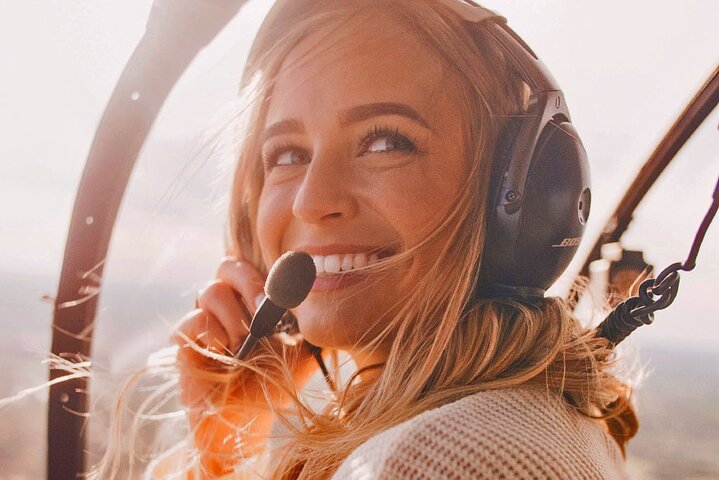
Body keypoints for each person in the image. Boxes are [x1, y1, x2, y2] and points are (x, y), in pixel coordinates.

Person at [144, 0, 638, 478]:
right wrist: (226, 450)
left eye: (385, 141)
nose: (310, 201)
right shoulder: (529, 415)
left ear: (518, 192)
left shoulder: (439, 460)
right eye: (289, 154)